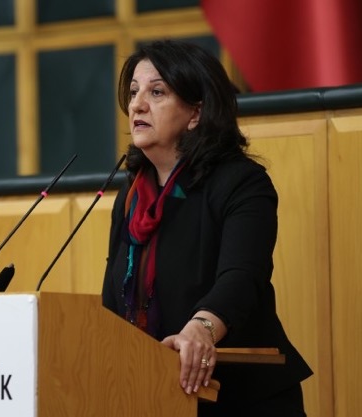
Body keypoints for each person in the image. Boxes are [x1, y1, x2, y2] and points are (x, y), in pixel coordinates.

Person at [101, 40, 313, 417]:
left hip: (242, 398)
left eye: (156, 92)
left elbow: (242, 278)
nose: (137, 105)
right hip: (158, 395)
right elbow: (111, 304)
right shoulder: (131, 196)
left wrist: (202, 328)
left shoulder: (241, 183)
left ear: (196, 113)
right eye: (133, 92)